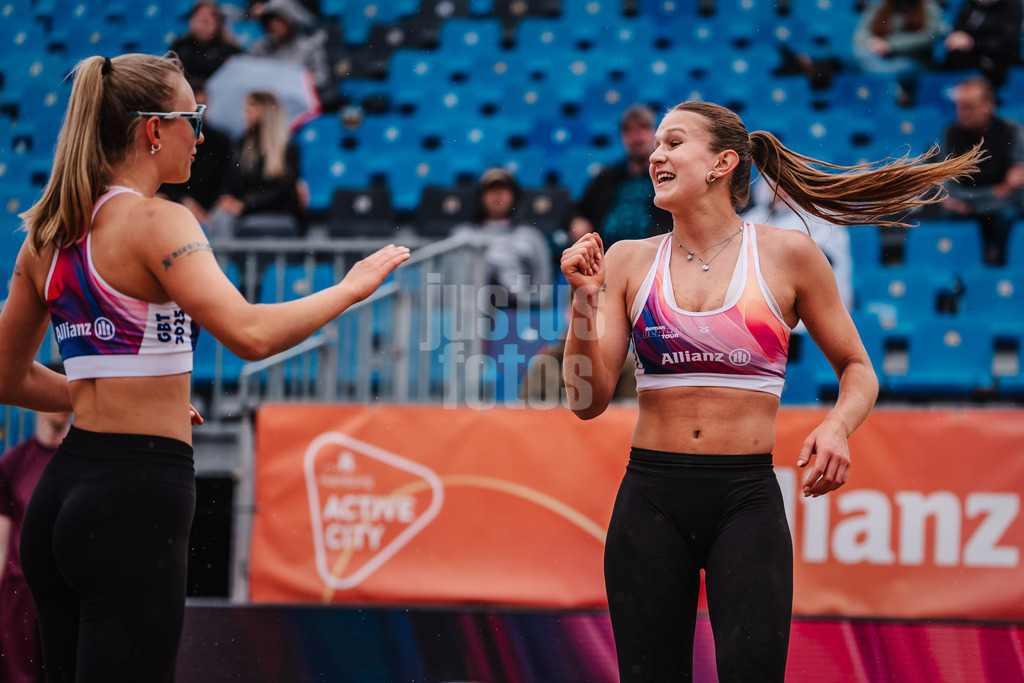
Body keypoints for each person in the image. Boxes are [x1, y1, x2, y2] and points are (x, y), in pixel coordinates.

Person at [0, 53, 408, 682]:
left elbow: (8, 377)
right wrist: (351, 288)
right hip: (132, 500)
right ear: (152, 130)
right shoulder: (159, 221)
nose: (203, 133)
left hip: (61, 500)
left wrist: (94, 397)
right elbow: (247, 333)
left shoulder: (47, 234)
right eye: (192, 117)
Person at [559, 100, 982, 681]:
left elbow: (859, 368)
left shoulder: (788, 255)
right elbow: (587, 403)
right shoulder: (628, 261)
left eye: (674, 143)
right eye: (656, 143)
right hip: (649, 498)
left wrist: (837, 427)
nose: (657, 153)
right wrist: (582, 305)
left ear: (722, 162)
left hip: (746, 501)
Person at [0, 407, 72, 683]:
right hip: (20, 600)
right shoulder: (13, 462)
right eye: (56, 396)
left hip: (67, 595)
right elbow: (1, 547)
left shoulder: (79, 461)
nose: (64, 406)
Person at [940, 76, 1024, 264]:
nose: (962, 113)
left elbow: (1018, 194)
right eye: (960, 106)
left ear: (989, 105)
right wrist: (997, 191)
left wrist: (971, 205)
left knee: (1009, 216)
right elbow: (950, 194)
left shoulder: (1013, 132)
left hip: (1000, 216)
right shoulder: (951, 134)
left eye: (969, 107)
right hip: (964, 215)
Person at [568, 104, 672, 246]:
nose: (637, 135)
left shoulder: (666, 175)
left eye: (643, 127)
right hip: (605, 254)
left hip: (654, 253)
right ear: (623, 137)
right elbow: (580, 209)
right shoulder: (606, 177)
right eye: (629, 130)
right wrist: (578, 220)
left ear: (654, 132)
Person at [450, 167, 553, 308]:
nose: (498, 195)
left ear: (514, 195)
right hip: (468, 315)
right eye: (491, 189)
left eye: (504, 189)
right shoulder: (461, 236)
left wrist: (515, 297)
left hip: (517, 316)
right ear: (481, 195)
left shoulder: (531, 237)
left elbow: (544, 289)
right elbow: (446, 285)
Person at [210, 90, 305, 239]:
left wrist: (245, 204)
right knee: (220, 217)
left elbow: (284, 189)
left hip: (274, 212)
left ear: (265, 111)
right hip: (243, 212)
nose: (244, 115)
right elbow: (230, 179)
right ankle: (220, 261)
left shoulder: (286, 149)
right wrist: (226, 197)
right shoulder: (242, 144)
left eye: (249, 110)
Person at [158, 77, 233, 230]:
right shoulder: (170, 137)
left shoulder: (221, 140)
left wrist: (219, 201)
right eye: (195, 111)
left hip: (210, 208)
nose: (199, 139)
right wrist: (181, 200)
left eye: (203, 107)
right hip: (176, 204)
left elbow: (227, 177)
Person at [851, 0, 942, 105]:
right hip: (879, 59)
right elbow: (860, 36)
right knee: (860, 53)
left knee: (903, 68)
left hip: (911, 62)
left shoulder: (928, 6)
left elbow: (928, 36)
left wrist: (890, 45)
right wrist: (872, 43)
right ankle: (891, 88)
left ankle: (884, 86)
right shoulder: (880, 6)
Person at [247, 0, 332, 99]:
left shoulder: (309, 47)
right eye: (270, 21)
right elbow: (250, 74)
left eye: (279, 20)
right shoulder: (260, 48)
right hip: (271, 103)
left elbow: (322, 78)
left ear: (290, 21)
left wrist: (296, 82)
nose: (274, 25)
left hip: (300, 100)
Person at [942, 0, 1023, 89]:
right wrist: (956, 38)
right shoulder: (970, 5)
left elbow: (1006, 42)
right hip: (968, 61)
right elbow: (959, 31)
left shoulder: (1011, 5)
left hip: (998, 65)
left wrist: (972, 42)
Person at [170, 0, 242, 87]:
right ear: (191, 21)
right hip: (184, 96)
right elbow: (170, 77)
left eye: (211, 16)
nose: (205, 20)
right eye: (200, 15)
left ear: (218, 22)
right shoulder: (179, 47)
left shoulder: (230, 51)